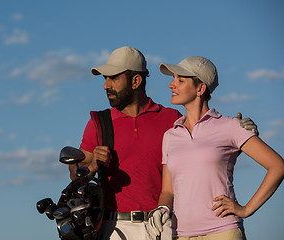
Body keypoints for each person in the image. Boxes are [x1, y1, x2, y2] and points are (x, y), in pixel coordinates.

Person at [69, 47, 258, 240]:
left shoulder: (172, 119)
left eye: (114, 78)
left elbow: (205, 154)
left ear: (136, 81)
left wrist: (238, 137)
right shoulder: (99, 123)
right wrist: (91, 166)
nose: (106, 85)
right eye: (105, 79)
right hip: (114, 228)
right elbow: (74, 174)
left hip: (164, 226)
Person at [149, 56, 284, 240]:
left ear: (200, 88)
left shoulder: (230, 126)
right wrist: (162, 209)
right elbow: (168, 191)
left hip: (223, 231)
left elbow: (277, 166)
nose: (171, 85)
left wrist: (246, 209)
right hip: (182, 235)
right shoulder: (170, 136)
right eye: (173, 79)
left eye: (180, 80)